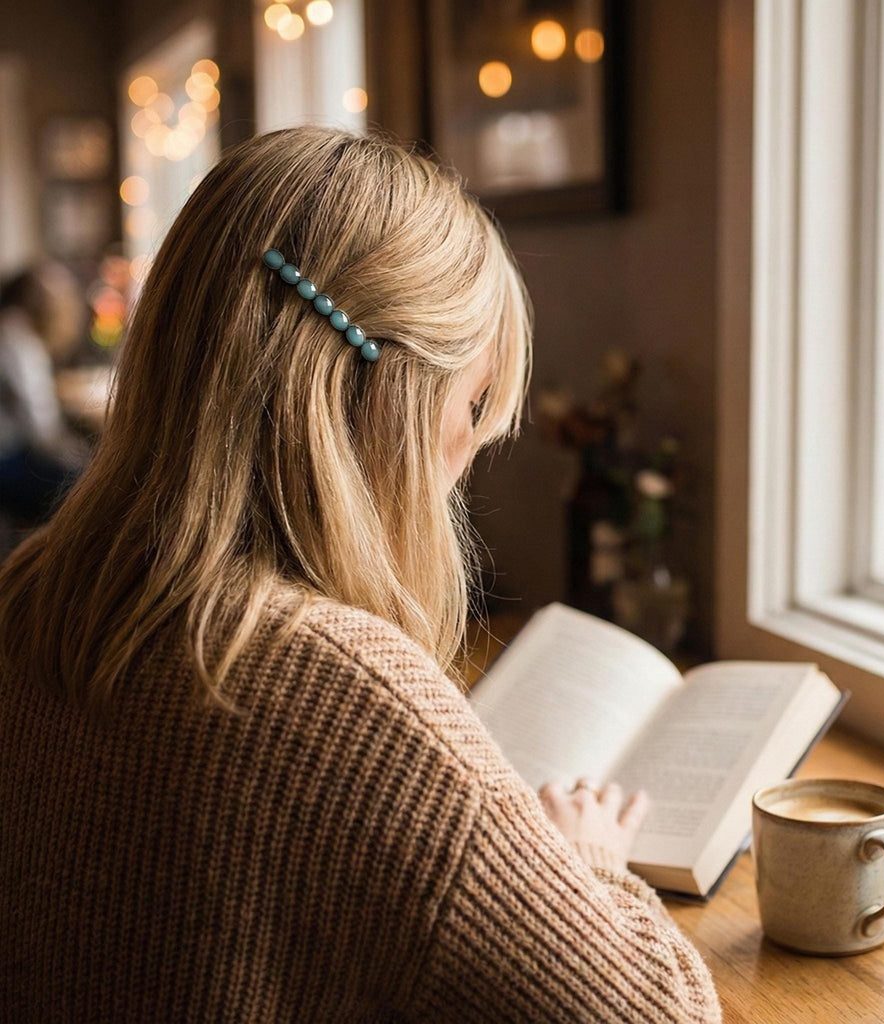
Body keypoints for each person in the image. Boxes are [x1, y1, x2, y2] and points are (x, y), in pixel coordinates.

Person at [0, 128, 721, 1023]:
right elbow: (659, 1014)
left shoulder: (28, 592)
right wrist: (585, 865)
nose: (465, 457)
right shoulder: (347, 701)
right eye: (471, 407)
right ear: (389, 400)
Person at [0, 262, 89, 524]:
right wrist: (91, 463)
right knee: (86, 486)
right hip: (7, 461)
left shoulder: (10, 330)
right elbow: (44, 434)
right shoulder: (18, 341)